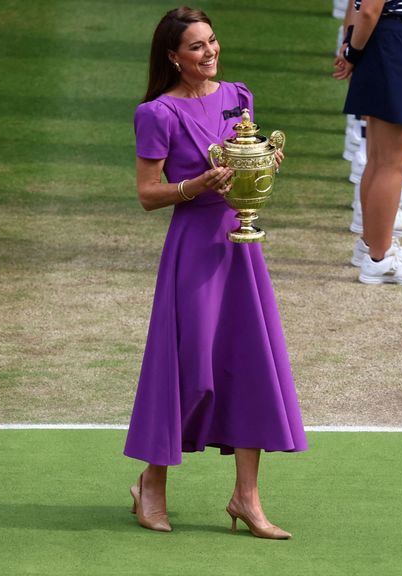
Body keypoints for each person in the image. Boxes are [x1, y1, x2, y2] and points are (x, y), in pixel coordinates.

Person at [123, 7, 308, 540]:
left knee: (248, 365)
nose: (210, 53)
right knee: (187, 369)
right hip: (193, 252)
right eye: (197, 47)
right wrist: (197, 185)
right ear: (173, 57)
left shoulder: (239, 97)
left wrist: (265, 167)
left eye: (212, 42)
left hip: (241, 248)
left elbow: (251, 161)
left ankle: (246, 498)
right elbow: (146, 195)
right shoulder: (156, 113)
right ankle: (152, 485)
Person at [333, 0, 402, 285]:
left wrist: (350, 43)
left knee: (379, 159)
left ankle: (372, 245)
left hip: (388, 40)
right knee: (391, 161)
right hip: (392, 42)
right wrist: (352, 51)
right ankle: (380, 259)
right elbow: (367, 8)